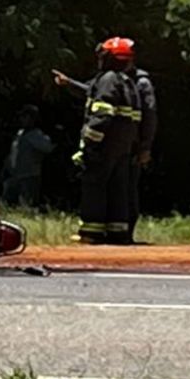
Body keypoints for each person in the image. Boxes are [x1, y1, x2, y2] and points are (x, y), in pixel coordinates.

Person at [54, 38, 142, 244]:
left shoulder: (109, 79)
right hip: (122, 147)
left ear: (109, 58)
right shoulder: (125, 80)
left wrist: (90, 143)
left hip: (104, 146)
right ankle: (117, 232)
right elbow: (90, 91)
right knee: (117, 189)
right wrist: (69, 84)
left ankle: (91, 232)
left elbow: (103, 114)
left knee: (95, 186)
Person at [125, 61, 158, 244]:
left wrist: (145, 147)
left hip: (133, 147)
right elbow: (90, 90)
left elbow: (150, 115)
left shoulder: (141, 83)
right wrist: (69, 84)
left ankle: (127, 233)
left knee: (129, 188)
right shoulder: (111, 79)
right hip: (116, 146)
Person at [0, 104, 54, 207]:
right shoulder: (19, 134)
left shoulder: (37, 135)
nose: (22, 120)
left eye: (25, 117)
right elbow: (13, 152)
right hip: (14, 174)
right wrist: (6, 168)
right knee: (7, 202)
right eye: (21, 117)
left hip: (29, 175)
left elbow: (48, 148)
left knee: (27, 204)